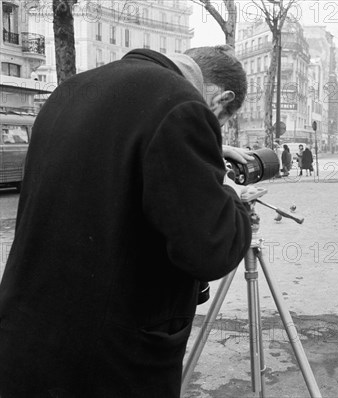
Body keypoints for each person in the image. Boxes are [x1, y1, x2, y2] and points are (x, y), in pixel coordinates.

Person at [0, 46, 253, 398]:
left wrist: (197, 158)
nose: (217, 127)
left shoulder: (71, 90)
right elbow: (211, 249)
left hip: (26, 340)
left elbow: (109, 163)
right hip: (110, 362)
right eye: (222, 119)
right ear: (222, 97)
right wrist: (233, 199)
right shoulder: (182, 104)